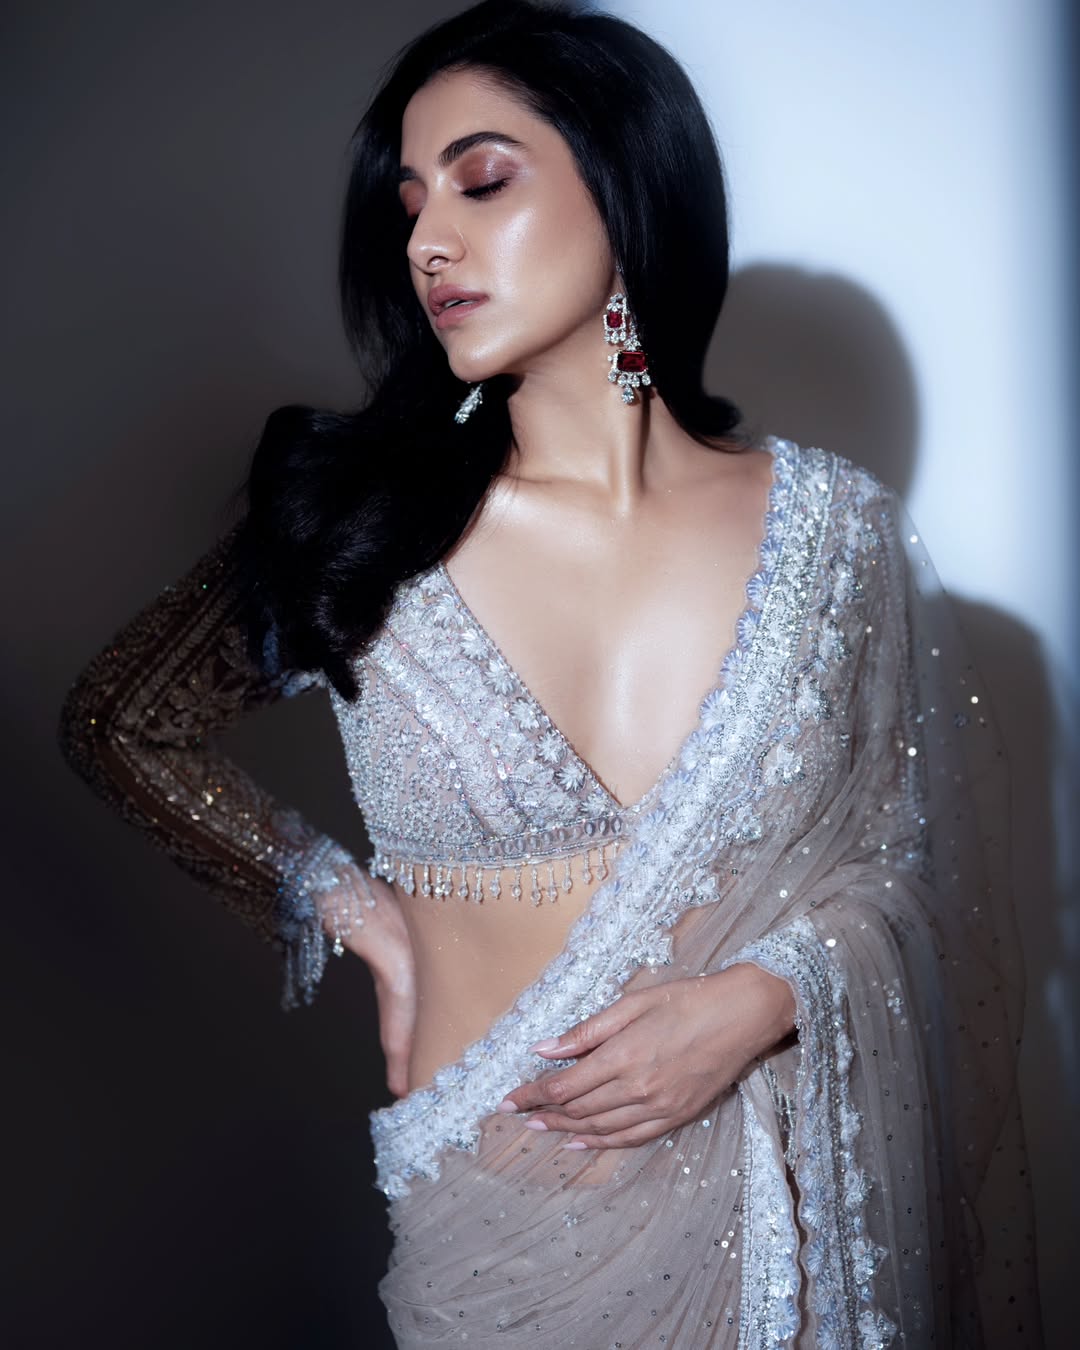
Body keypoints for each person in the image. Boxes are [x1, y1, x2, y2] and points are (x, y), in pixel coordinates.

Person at [58, 1, 1042, 1344]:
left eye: (482, 180)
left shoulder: (834, 533)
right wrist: (355, 908)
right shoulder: (368, 525)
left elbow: (907, 875)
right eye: (411, 204)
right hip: (496, 1245)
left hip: (780, 1233)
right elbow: (120, 721)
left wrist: (760, 1000)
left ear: (625, 188)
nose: (428, 240)